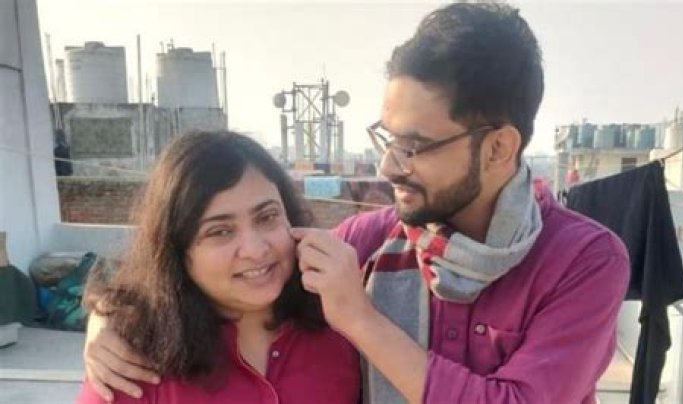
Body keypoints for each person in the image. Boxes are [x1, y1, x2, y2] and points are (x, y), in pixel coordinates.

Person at [84, 3, 629, 403]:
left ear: (498, 148)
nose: (389, 166)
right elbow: (220, 275)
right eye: (387, 137)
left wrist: (362, 320)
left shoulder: (582, 261)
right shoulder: (370, 244)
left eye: (414, 146)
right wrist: (108, 324)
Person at [77, 131, 359, 403]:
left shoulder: (342, 332)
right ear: (175, 249)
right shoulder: (130, 365)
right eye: (220, 232)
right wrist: (106, 314)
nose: (255, 250)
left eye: (267, 217)